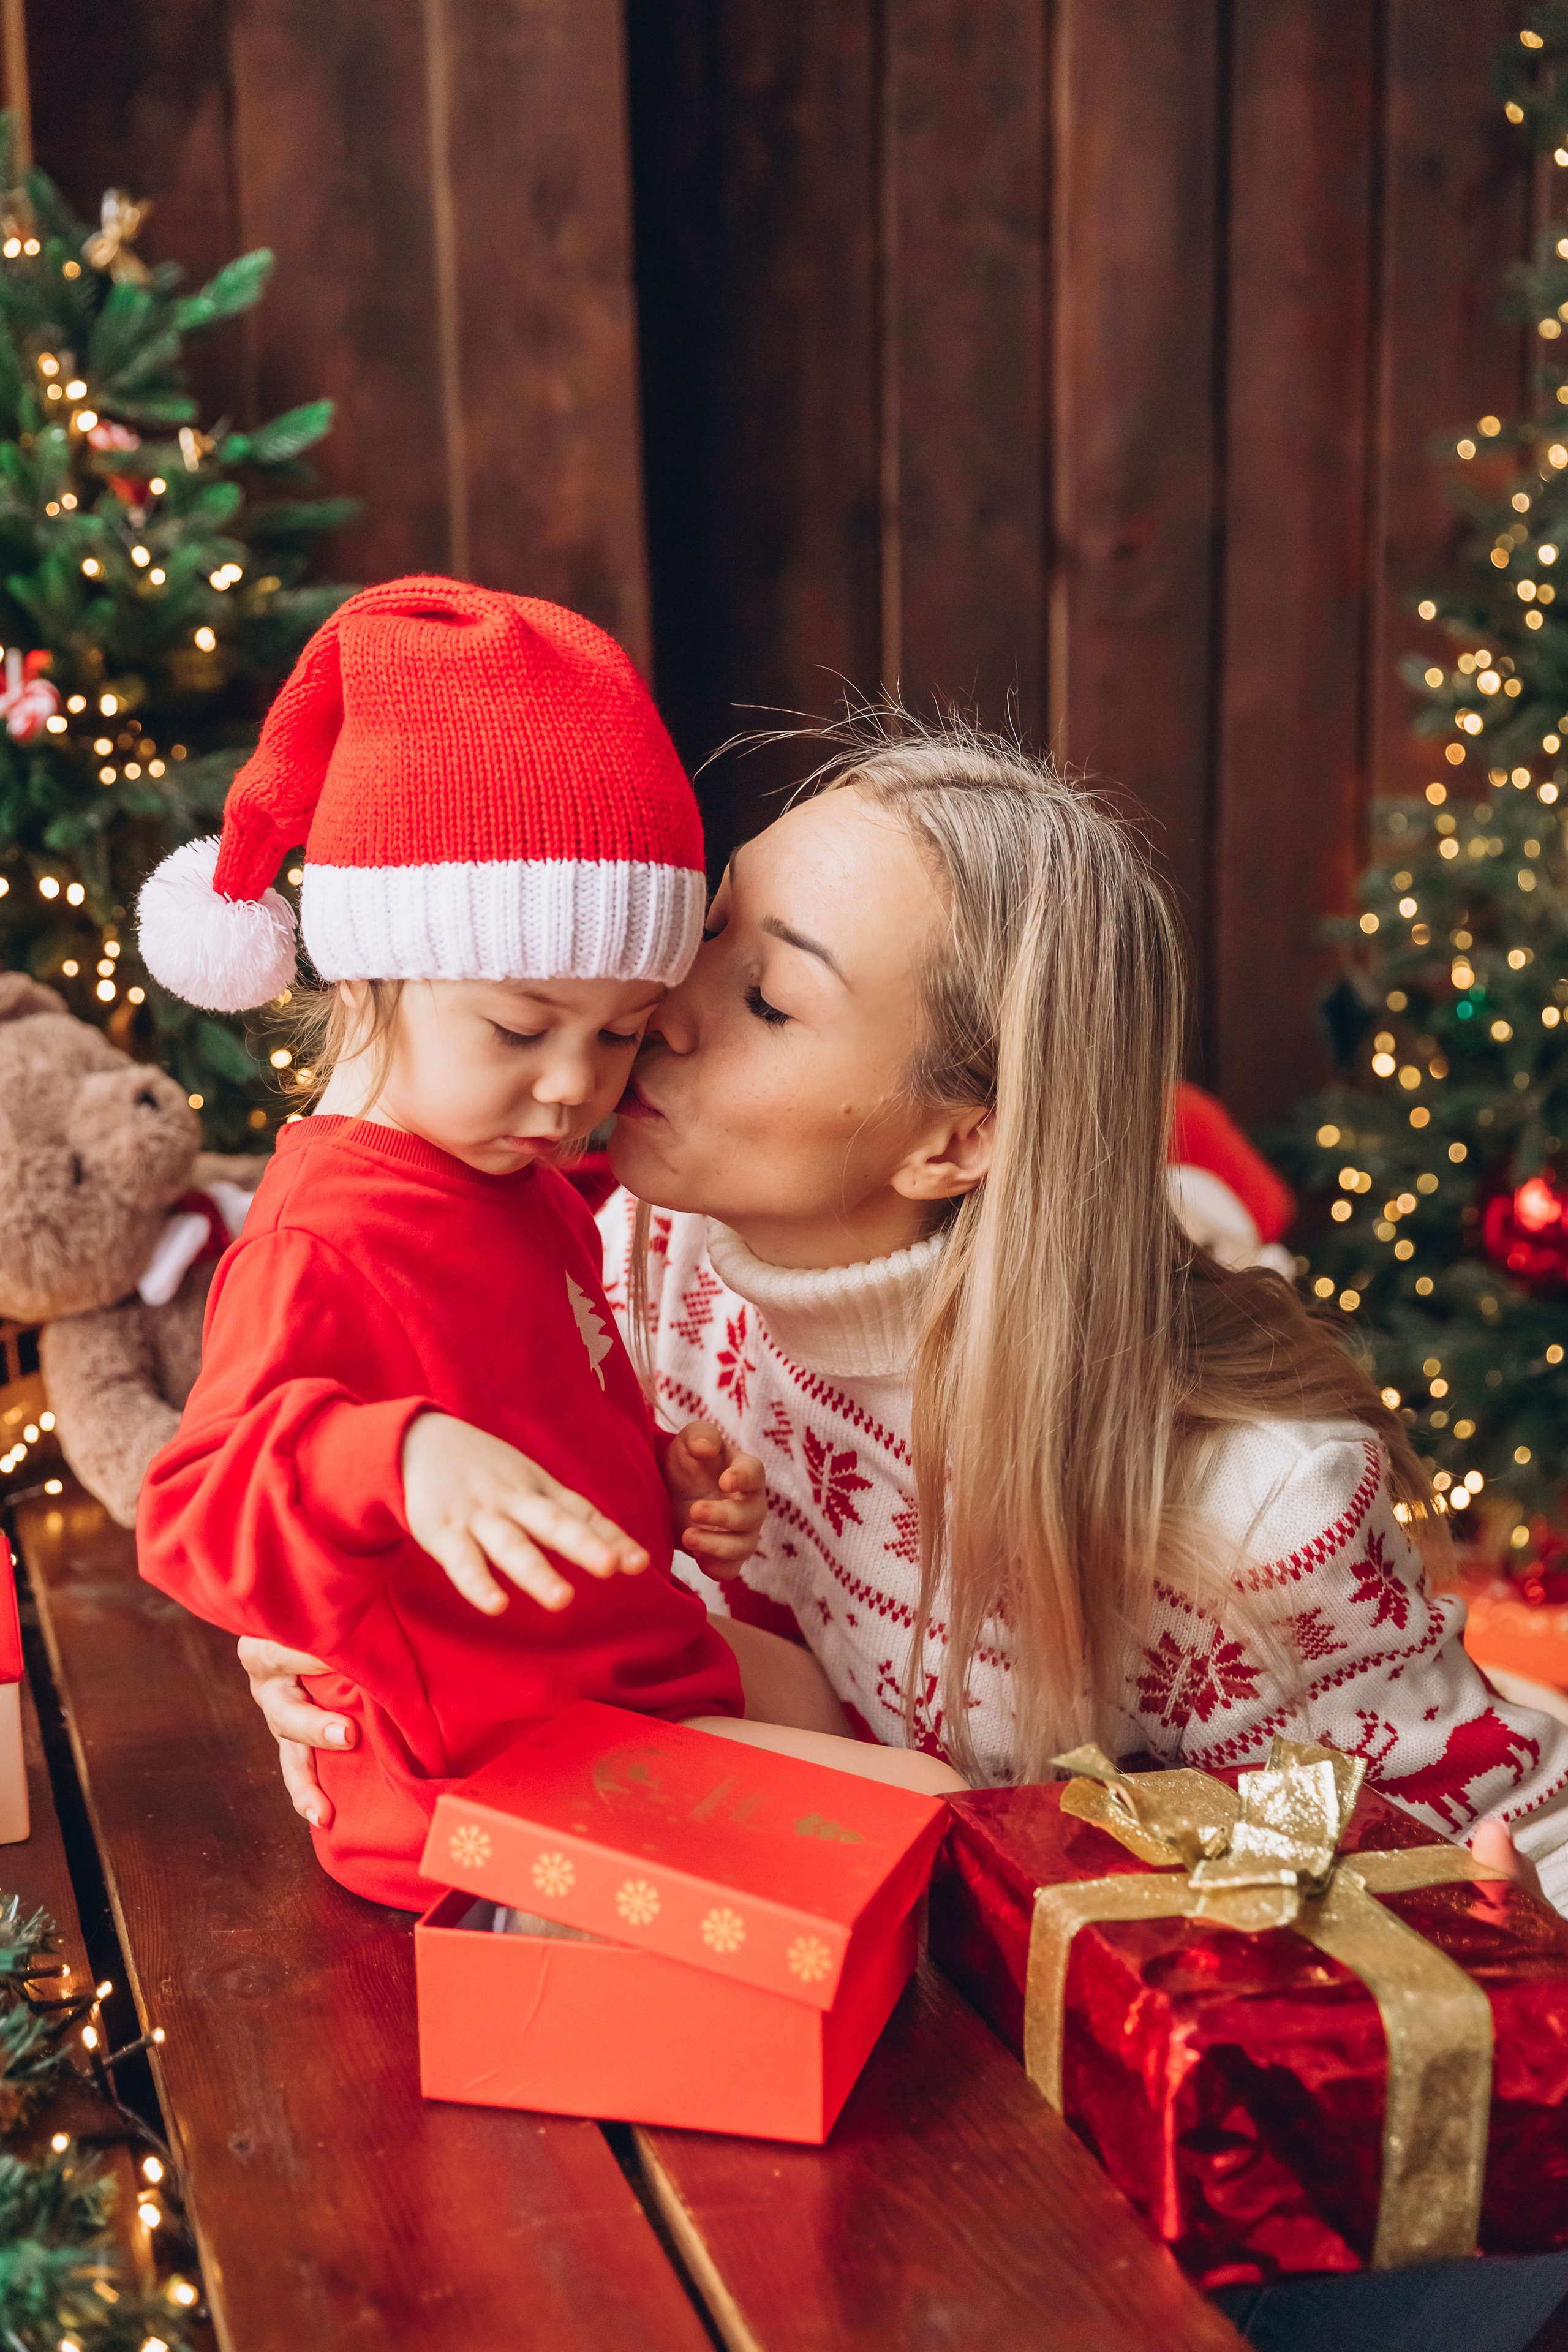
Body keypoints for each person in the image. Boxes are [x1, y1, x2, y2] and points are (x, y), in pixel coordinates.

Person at [246, 710, 1568, 1897]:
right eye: (701, 936)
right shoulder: (649, 1244)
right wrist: (352, 1629)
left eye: (764, 997)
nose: (659, 1015)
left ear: (950, 1143)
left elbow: (1485, 1842)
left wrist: (1459, 1904)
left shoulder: (1246, 1509)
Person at [134, 578, 774, 1909]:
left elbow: (526, 1420)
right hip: (483, 1776)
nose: (571, 1087)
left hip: (602, 1686)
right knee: (902, 1855)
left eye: (616, 1034)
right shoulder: (323, 1235)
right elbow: (196, 1506)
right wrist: (398, 1454)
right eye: (518, 1027)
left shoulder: (513, 1180)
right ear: (369, 978)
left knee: (858, 1761)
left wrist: (650, 1483)